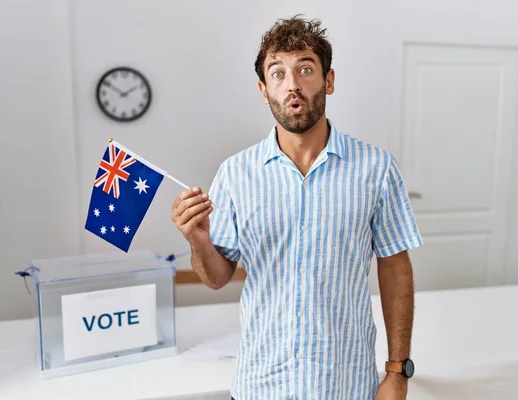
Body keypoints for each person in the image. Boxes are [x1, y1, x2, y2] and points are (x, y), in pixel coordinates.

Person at [171, 14, 423, 400]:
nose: (292, 84)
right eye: (277, 73)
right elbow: (217, 277)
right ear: (263, 89)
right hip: (262, 385)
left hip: (347, 384)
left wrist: (397, 370)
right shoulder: (236, 174)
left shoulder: (377, 168)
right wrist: (198, 242)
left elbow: (395, 268)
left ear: (329, 80)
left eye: (305, 68)